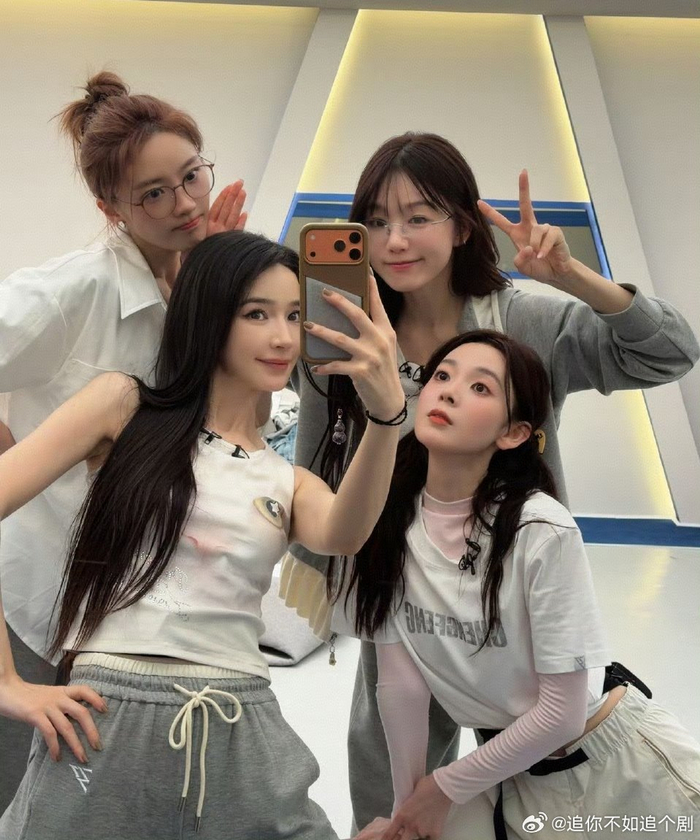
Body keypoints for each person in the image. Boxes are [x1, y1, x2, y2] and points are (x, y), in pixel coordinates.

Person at [280, 132, 700, 829]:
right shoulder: (349, 331)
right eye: (376, 221)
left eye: (418, 217)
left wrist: (573, 277)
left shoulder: (522, 320)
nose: (394, 240)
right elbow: (320, 446)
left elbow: (670, 353)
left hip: (507, 590)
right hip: (399, 593)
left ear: (461, 226)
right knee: (389, 787)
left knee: (532, 782)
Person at [0, 230, 405, 840]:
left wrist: (387, 417)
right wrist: (8, 685)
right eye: (256, 314)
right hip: (107, 715)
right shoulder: (124, 406)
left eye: (294, 315)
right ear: (208, 315)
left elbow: (345, 534)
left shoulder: (286, 479)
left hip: (241, 716)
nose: (283, 337)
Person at [339, 330, 700, 840]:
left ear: (512, 432)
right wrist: (407, 814)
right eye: (442, 376)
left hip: (616, 764)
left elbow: (561, 713)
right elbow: (403, 687)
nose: (449, 391)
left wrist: (444, 788)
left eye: (480, 387)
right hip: (511, 770)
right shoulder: (387, 521)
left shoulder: (541, 529)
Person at [0, 70, 248, 812]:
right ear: (111, 209)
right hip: (37, 607)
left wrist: (222, 294)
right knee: (20, 803)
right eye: (154, 195)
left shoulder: (202, 284)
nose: (186, 204)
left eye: (192, 175)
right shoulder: (74, 291)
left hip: (136, 609)